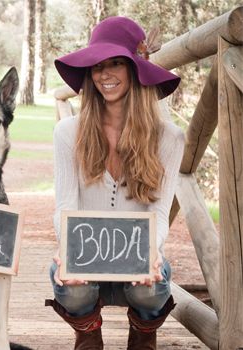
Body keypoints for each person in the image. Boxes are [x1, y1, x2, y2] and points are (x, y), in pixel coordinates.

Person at [45, 16, 184, 350]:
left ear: (136, 69)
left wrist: (150, 252)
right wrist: (69, 251)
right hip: (87, 258)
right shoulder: (69, 132)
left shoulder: (169, 137)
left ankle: (143, 335)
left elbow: (160, 211)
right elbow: (65, 206)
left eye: (116, 64)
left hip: (138, 262)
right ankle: (88, 335)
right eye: (96, 66)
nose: (104, 75)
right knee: (68, 280)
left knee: (150, 286)